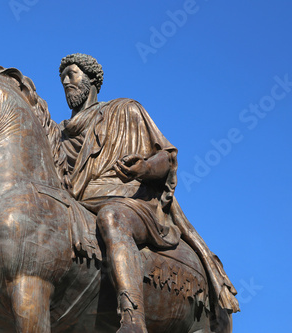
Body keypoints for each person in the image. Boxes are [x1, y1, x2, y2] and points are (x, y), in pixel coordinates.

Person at [57, 53, 239, 332]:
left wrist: (144, 166)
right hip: (78, 203)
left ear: (91, 79)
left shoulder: (126, 110)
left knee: (111, 218)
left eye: (72, 74)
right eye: (63, 77)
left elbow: (165, 157)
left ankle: (132, 318)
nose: (66, 81)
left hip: (128, 201)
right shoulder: (59, 134)